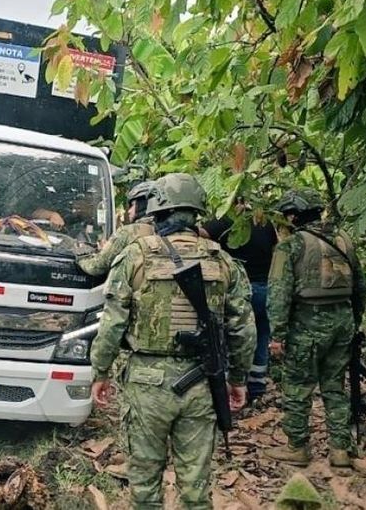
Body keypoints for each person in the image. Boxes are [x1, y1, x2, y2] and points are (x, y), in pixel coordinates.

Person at [90, 173, 255, 509]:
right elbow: (243, 330)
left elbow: (112, 324)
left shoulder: (135, 255)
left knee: (145, 483)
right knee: (196, 489)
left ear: (157, 209)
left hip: (146, 384)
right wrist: (237, 380)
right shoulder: (221, 260)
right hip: (202, 384)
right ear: (197, 212)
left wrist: (100, 372)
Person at [265, 188, 365, 468]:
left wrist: (278, 335)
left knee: (298, 386)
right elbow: (361, 286)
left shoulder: (291, 245)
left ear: (294, 214)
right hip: (342, 320)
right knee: (335, 386)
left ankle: (297, 447)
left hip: (307, 322)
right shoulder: (344, 239)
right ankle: (340, 450)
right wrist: (354, 320)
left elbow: (279, 292)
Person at [204, 204, 278, 401]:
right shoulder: (266, 223)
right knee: (261, 335)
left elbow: (199, 236)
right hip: (263, 288)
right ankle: (256, 386)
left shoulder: (221, 222)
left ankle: (232, 387)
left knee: (230, 336)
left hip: (236, 289)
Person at [75, 180, 156, 276]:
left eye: (133, 205)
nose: (129, 211)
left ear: (143, 205)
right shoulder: (166, 230)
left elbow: (96, 267)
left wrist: (82, 254)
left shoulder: (129, 232)